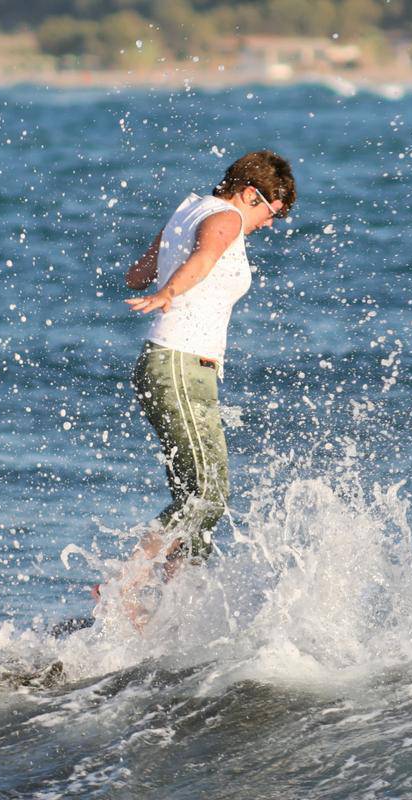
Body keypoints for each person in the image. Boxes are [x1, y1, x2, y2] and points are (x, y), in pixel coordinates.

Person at [120, 151, 295, 593]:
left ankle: (174, 601)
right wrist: (170, 291)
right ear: (250, 194)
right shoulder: (227, 218)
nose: (271, 224)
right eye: (273, 213)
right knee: (208, 496)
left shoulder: (188, 210)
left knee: (195, 498)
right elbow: (203, 258)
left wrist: (162, 280)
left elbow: (136, 276)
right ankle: (127, 583)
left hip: (166, 365)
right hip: (181, 365)